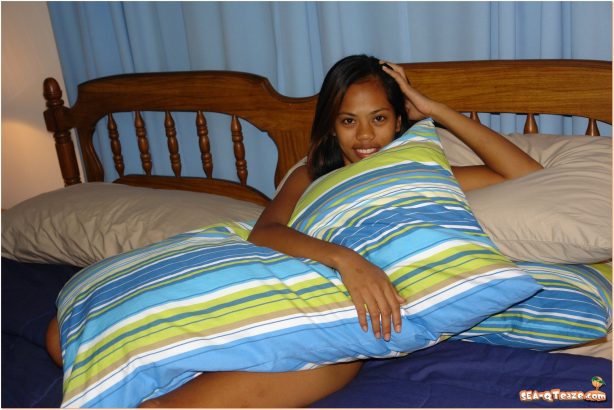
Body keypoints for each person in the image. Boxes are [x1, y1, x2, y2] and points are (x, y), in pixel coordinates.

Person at [46, 54, 543, 408]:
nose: (364, 136)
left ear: (399, 121)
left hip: (327, 314)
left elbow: (523, 173)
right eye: (348, 121)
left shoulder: (415, 174)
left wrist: (434, 109)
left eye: (379, 118)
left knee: (336, 361)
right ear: (330, 124)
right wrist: (348, 260)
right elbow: (266, 231)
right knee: (61, 335)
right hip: (278, 264)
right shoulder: (312, 173)